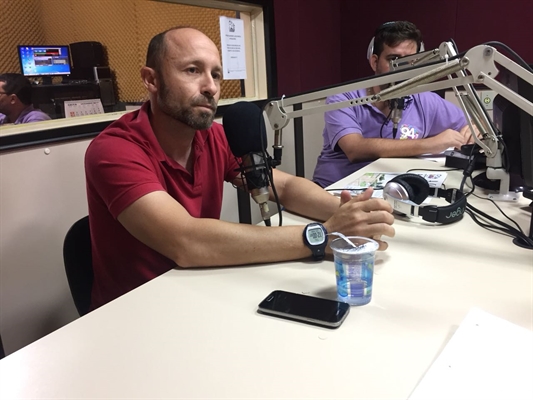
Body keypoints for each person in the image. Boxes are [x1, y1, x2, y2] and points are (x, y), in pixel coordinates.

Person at [85, 26, 395, 310]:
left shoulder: (213, 137)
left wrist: (353, 213)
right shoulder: (114, 150)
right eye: (192, 70)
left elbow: (283, 186)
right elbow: (185, 241)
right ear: (151, 80)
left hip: (201, 289)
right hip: (137, 313)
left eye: (217, 75)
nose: (210, 87)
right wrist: (321, 235)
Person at [312, 21, 473, 188]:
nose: (402, 69)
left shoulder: (425, 100)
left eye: (410, 61)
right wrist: (429, 144)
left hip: (390, 193)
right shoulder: (343, 97)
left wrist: (473, 129)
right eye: (394, 60)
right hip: (335, 190)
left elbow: (473, 124)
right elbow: (355, 149)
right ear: (375, 62)